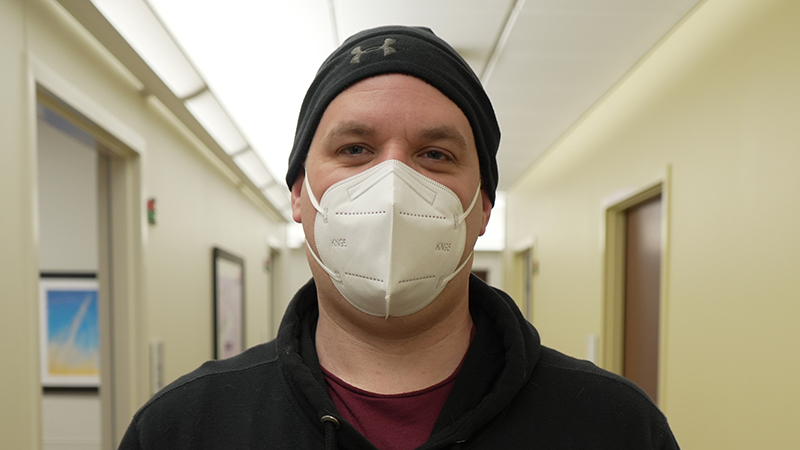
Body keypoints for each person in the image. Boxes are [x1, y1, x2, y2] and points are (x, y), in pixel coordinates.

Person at [119, 26, 679, 450]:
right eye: (354, 150)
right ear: (299, 195)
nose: (392, 187)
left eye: (434, 155)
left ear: (483, 207)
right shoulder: (184, 428)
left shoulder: (616, 426)